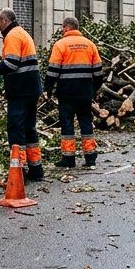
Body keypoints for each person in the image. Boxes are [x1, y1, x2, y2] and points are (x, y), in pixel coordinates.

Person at [0, 8, 44, 180]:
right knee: (29, 128)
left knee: (16, 128)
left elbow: (11, 64)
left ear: (6, 20)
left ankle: (19, 170)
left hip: (20, 91)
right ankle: (36, 169)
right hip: (30, 88)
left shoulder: (12, 35)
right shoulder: (22, 33)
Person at [44, 16, 105, 169]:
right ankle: (90, 157)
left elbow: (52, 71)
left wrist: (48, 90)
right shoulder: (90, 45)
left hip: (66, 93)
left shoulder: (60, 45)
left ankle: (68, 158)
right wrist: (93, 90)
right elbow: (99, 73)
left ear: (66, 28)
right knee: (86, 123)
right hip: (85, 93)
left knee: (67, 124)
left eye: (62, 27)